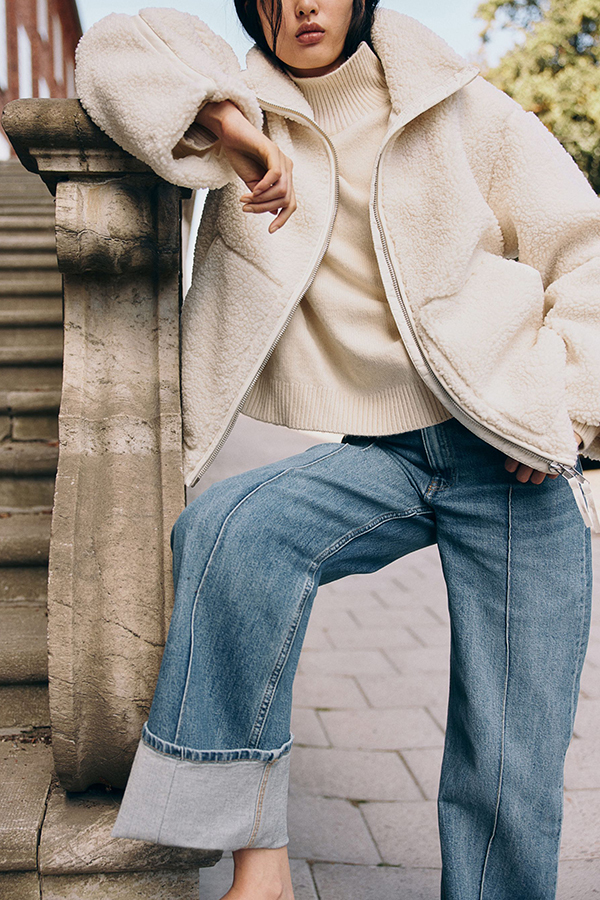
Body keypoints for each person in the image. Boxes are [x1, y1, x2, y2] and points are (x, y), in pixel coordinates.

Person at [74, 1, 600, 897]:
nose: (303, 6)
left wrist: (567, 410)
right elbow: (112, 52)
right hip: (384, 454)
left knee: (511, 753)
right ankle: (261, 865)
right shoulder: (243, 112)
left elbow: (586, 250)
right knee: (231, 531)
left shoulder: (459, 107)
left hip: (510, 455)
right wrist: (232, 128)